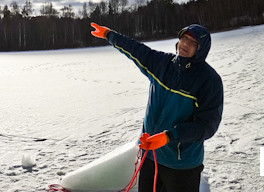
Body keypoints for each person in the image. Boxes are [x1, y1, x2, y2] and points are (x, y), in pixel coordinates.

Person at [90, 22, 223, 192]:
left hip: (181, 165)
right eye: (184, 38)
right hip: (150, 156)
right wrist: (109, 35)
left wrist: (170, 136)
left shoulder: (209, 80)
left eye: (193, 43)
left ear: (201, 49)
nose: (185, 45)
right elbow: (137, 50)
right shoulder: (163, 64)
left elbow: (207, 125)